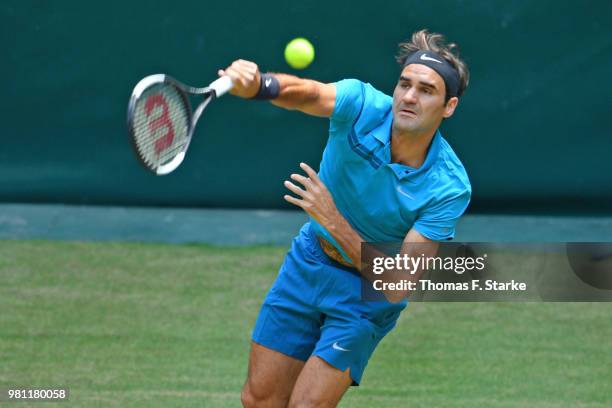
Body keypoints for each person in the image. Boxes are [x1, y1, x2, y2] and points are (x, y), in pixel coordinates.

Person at [219, 29, 472, 407]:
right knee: (259, 400)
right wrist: (260, 85)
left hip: (366, 296)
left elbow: (398, 285)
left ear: (448, 106)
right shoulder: (361, 104)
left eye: (426, 90)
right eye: (404, 84)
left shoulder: (448, 187)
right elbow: (308, 93)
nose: (408, 97)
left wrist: (333, 218)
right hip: (309, 261)